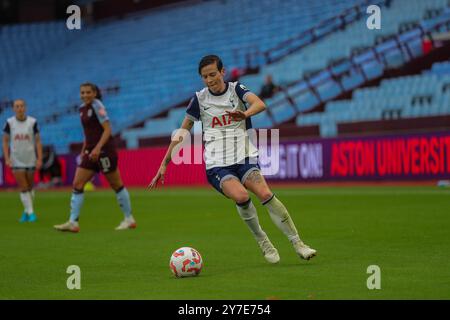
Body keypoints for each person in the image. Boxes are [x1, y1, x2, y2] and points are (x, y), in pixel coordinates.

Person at [149, 55, 316, 263]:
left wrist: (244, 115)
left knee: (264, 193)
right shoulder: (199, 100)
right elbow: (182, 132)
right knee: (241, 196)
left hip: (244, 156)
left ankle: (298, 243)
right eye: (204, 77)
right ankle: (262, 239)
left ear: (222, 72)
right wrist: (165, 164)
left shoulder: (236, 89)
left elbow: (259, 104)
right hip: (217, 164)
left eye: (212, 74)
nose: (209, 80)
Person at [54, 83, 136, 232]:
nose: (85, 95)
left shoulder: (97, 105)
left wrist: (98, 148)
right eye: (82, 92)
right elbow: (88, 133)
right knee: (77, 183)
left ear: (94, 93)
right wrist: (84, 149)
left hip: (104, 151)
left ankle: (129, 218)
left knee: (116, 184)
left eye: (88, 92)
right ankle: (73, 222)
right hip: (90, 152)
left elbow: (107, 129)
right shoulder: (81, 109)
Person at [2, 99, 43, 222]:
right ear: (14, 109)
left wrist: (39, 158)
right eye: (17, 106)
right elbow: (5, 141)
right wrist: (7, 157)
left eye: (21, 106)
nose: (19, 108)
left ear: (25, 107)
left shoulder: (32, 122)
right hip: (16, 159)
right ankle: (31, 214)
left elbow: (38, 141)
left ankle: (26, 211)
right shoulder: (9, 123)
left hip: (30, 158)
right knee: (23, 186)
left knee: (30, 187)